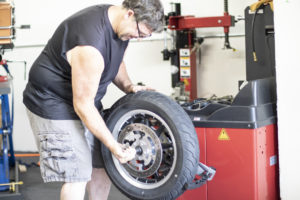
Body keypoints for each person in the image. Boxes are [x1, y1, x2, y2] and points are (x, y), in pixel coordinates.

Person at [23, 0, 164, 199]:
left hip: (82, 98)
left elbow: (116, 59)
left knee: (103, 163)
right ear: (130, 14)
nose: (138, 38)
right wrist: (115, 146)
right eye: (140, 33)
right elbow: (83, 106)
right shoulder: (90, 45)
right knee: (78, 172)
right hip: (52, 101)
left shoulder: (117, 23)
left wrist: (128, 86)